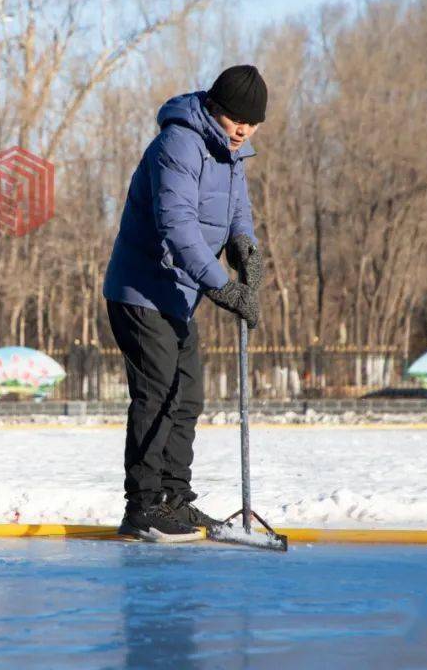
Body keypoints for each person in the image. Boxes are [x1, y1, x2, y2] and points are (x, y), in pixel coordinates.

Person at [102, 65, 266, 542]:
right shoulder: (180, 143)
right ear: (214, 107)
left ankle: (174, 499)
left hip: (178, 295)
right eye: (237, 118)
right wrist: (223, 286)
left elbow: (237, 209)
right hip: (141, 290)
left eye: (252, 123)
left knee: (187, 396)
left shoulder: (232, 153)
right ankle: (143, 506)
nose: (243, 129)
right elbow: (178, 227)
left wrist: (245, 247)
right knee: (158, 396)